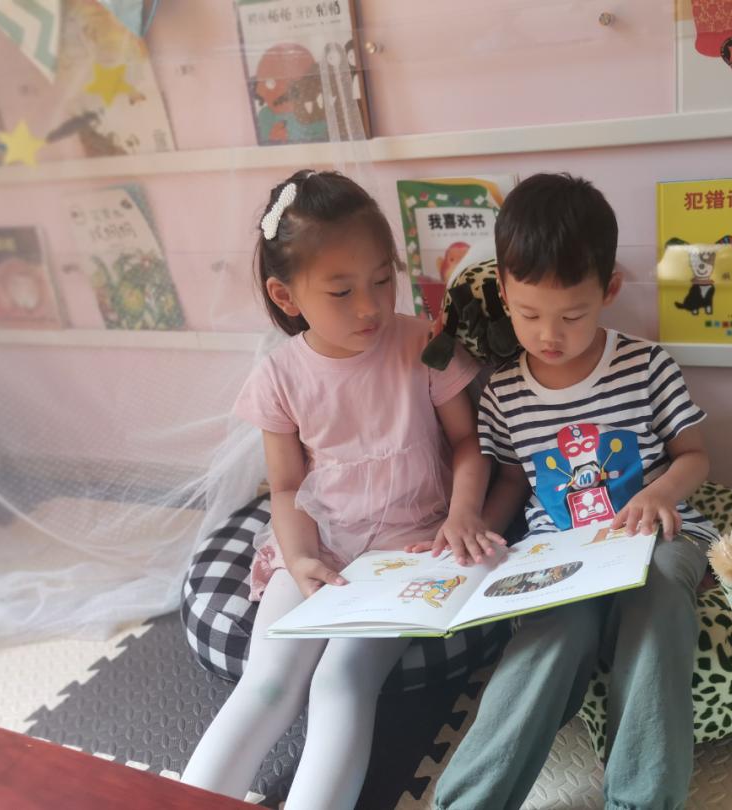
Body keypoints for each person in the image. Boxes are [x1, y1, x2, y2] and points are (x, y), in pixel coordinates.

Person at [181, 170, 504, 809]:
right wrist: (300, 557)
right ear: (286, 295)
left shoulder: (424, 342)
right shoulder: (279, 377)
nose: (370, 306)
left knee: (341, 681)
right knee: (267, 682)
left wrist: (464, 513)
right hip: (321, 544)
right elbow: (284, 486)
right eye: (341, 290)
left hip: (410, 548)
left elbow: (469, 444)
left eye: (383, 280)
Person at [426, 173, 719, 810]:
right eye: (528, 314)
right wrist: (479, 530)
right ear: (503, 292)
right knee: (553, 633)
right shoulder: (504, 391)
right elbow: (512, 477)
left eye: (572, 315)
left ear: (609, 290)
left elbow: (693, 454)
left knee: (659, 598)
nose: (548, 335)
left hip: (656, 538)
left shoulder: (646, 365)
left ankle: (641, 799)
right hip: (561, 554)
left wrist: (661, 494)